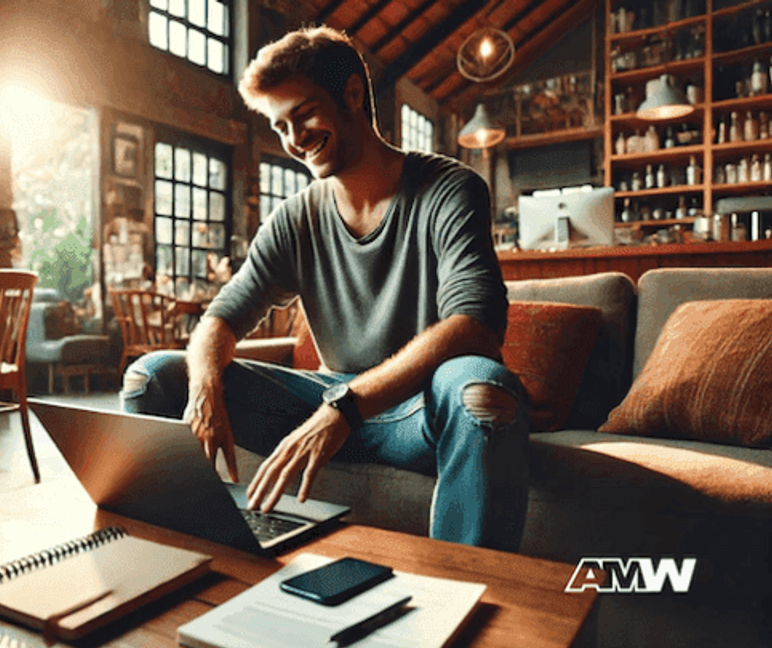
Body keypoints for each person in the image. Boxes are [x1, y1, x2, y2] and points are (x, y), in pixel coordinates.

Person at [121, 26, 530, 552]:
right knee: (152, 376)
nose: (293, 140)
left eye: (303, 115)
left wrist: (345, 408)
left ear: (353, 95)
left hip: (413, 412)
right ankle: (172, 560)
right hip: (327, 397)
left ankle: (469, 595)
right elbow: (219, 320)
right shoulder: (294, 219)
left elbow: (474, 326)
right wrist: (204, 390)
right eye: (279, 125)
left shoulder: (450, 188)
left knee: (480, 388)